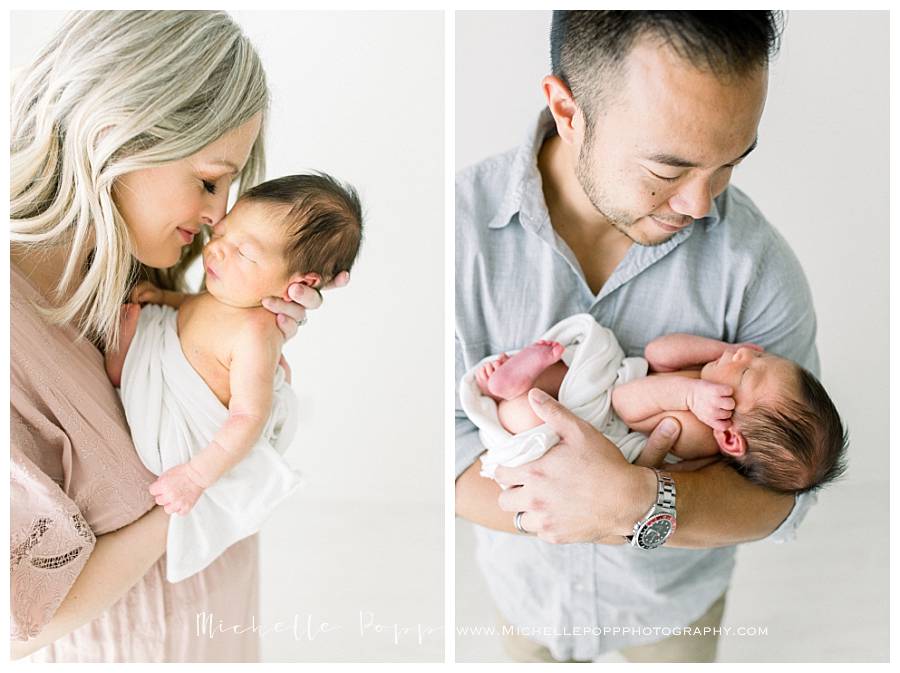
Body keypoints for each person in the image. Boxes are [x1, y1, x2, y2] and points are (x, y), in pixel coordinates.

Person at [455, 11, 821, 662]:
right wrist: (564, 505)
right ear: (568, 111)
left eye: (730, 163)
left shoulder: (757, 266)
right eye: (667, 168)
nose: (701, 205)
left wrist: (639, 504)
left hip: (672, 606)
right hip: (524, 594)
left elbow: (785, 497)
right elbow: (437, 450)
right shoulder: (457, 235)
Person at [11, 11, 347, 662]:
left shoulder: (134, 274)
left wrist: (244, 354)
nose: (221, 213)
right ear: (115, 133)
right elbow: (19, 620)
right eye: (208, 179)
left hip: (217, 625)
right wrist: (201, 495)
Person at [104, 174, 363, 583]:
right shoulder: (226, 294)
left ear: (300, 284)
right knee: (154, 324)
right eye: (222, 233)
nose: (217, 249)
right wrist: (167, 299)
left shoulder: (258, 333)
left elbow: (247, 418)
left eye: (243, 251)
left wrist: (195, 476)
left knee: (145, 352)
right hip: (166, 365)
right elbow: (196, 312)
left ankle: (124, 370)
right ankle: (128, 367)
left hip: (183, 428)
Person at [475, 331, 847, 494]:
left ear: (730, 437)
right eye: (761, 356)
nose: (747, 354)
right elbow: (658, 353)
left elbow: (626, 403)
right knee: (565, 372)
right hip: (603, 387)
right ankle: (517, 378)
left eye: (748, 370)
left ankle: (513, 393)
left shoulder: (696, 435)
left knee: (528, 417)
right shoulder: (707, 384)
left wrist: (688, 394)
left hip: (598, 421)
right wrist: (722, 348)